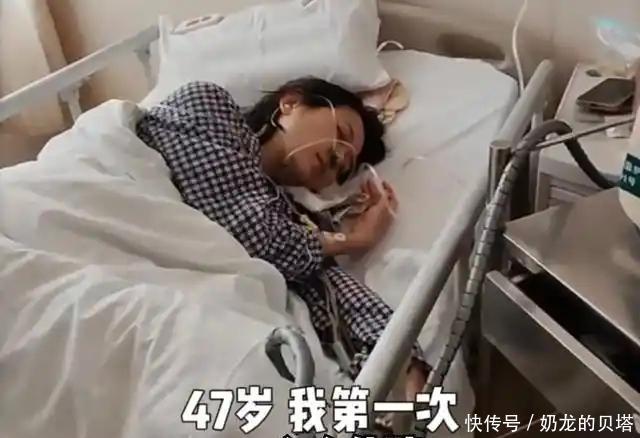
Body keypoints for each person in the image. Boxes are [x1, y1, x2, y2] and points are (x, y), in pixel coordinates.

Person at [135, 79, 430, 404]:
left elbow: (331, 288)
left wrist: (405, 360)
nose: (337, 157)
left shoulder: (291, 220)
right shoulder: (206, 105)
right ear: (290, 103)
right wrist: (354, 240)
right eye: (342, 134)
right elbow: (259, 238)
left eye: (344, 169)